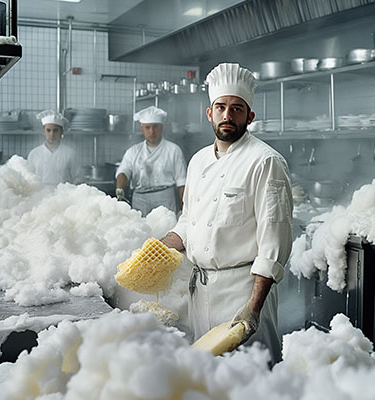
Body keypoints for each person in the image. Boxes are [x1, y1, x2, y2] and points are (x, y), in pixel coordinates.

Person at [161, 63, 293, 363]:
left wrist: (254, 307)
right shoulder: (197, 161)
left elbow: (275, 241)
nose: (227, 115)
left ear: (250, 116)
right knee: (206, 382)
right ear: (210, 113)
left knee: (249, 382)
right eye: (220, 107)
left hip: (242, 292)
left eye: (237, 109)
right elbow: (188, 221)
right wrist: (159, 248)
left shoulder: (265, 161)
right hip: (201, 292)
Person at [115, 106, 187, 216]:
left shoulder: (173, 150)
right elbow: (123, 172)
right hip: (140, 198)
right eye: (147, 127)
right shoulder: (133, 151)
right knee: (141, 230)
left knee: (165, 230)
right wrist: (120, 189)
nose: (152, 131)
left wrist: (183, 210)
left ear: (162, 128)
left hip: (164, 198)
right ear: (142, 129)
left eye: (155, 127)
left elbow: (182, 183)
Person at [28, 110, 80, 186]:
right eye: (48, 130)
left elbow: (78, 178)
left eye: (55, 130)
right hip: (40, 196)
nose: (52, 134)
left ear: (61, 132)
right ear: (44, 132)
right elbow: (28, 179)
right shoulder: (34, 154)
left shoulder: (70, 153)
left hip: (64, 196)